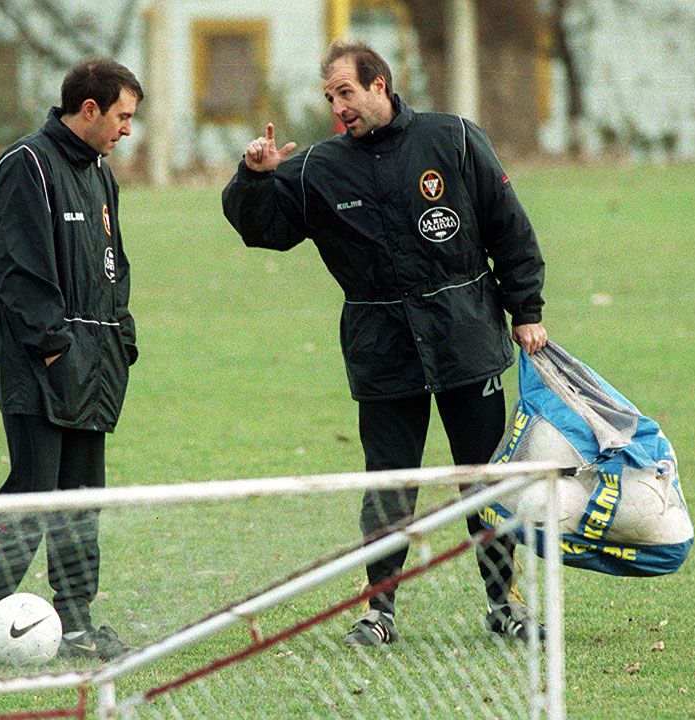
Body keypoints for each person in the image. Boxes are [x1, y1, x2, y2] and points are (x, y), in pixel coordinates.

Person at [222, 41, 548, 646]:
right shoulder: (319, 168)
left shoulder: (452, 139)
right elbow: (260, 229)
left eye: (346, 92)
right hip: (382, 351)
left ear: (380, 86)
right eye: (329, 97)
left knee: (485, 479)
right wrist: (254, 178)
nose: (338, 107)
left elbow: (509, 226)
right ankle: (379, 612)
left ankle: (506, 602)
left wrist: (525, 309)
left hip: (466, 340)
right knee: (388, 483)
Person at [0, 58, 143, 666]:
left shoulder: (100, 172)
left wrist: (122, 336)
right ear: (89, 110)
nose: (127, 130)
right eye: (122, 116)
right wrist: (55, 346)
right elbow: (15, 268)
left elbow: (113, 261)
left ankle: (77, 622)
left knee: (83, 495)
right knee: (35, 490)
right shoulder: (24, 164)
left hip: (97, 360)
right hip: (38, 359)